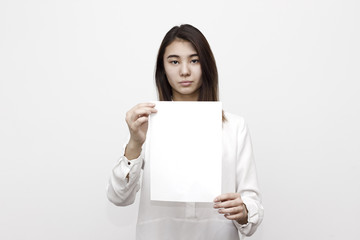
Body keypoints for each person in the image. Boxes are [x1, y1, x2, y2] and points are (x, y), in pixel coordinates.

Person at [107, 24, 264, 240]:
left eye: (194, 60)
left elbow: (251, 202)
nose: (184, 71)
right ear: (163, 68)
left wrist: (244, 210)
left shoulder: (234, 127)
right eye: (174, 61)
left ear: (206, 65)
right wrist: (134, 143)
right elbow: (119, 197)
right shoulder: (145, 124)